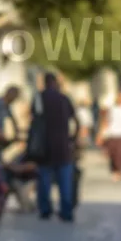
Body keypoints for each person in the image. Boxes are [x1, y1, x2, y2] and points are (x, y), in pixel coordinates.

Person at [32, 73, 79, 222]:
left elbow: (35, 121)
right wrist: (73, 139)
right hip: (63, 146)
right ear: (56, 83)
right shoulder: (64, 98)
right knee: (65, 180)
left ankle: (45, 209)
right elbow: (76, 121)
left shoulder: (39, 98)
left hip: (44, 147)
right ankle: (66, 211)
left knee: (44, 179)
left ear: (44, 83)